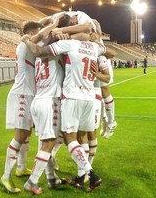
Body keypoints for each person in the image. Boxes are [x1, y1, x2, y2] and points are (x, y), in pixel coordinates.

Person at [22, 31, 105, 192]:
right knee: (57, 141)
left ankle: (52, 179)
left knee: (49, 142)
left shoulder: (55, 50)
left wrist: (27, 39)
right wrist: (94, 39)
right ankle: (33, 181)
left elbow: (37, 51)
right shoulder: (80, 48)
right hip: (54, 101)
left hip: (40, 99)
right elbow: (106, 51)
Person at [0, 21, 44, 194]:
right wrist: (54, 23)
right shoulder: (24, 45)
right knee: (19, 136)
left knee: (27, 133)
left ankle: (21, 167)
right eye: (37, 33)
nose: (40, 37)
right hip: (22, 94)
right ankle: (5, 177)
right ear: (31, 33)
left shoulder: (27, 44)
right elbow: (40, 36)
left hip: (28, 94)